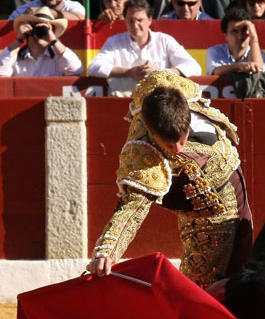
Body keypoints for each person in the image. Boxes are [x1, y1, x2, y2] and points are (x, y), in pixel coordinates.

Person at [88, 70, 252, 288]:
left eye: (181, 140)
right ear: (150, 131)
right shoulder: (144, 152)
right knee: (204, 286)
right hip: (205, 218)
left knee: (245, 271)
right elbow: (132, 208)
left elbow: (165, 76)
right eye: (168, 145)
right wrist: (107, 250)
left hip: (234, 187)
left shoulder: (172, 92)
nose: (178, 149)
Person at [87, 0, 201, 96]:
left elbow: (194, 67)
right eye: (131, 21)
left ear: (149, 20)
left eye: (139, 20)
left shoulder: (164, 40)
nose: (135, 25)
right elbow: (93, 68)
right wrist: (129, 72)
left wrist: (160, 72)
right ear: (125, 20)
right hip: (123, 106)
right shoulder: (114, 42)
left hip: (158, 105)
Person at [0, 6, 83, 77]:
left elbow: (75, 70)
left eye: (46, 29)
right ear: (30, 29)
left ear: (53, 32)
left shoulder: (58, 57)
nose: (42, 31)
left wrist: (53, 40)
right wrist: (19, 39)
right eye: (37, 26)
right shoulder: (16, 57)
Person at [206, 7, 265, 75]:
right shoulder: (215, 51)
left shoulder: (260, 55)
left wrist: (254, 38)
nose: (240, 36)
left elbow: (258, 70)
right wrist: (239, 66)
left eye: (244, 30)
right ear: (225, 36)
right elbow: (215, 71)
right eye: (235, 31)